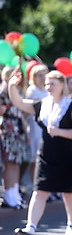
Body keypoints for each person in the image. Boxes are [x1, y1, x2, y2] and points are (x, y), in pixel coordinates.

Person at [9, 70, 72, 235]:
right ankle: (30, 229)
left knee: (69, 193)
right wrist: (12, 85)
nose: (48, 87)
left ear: (62, 85)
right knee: (39, 191)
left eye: (52, 83)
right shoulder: (41, 104)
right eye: (46, 84)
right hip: (46, 155)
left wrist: (59, 132)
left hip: (67, 155)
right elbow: (19, 102)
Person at [0, 66, 30, 209]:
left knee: (16, 162)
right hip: (7, 128)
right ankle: (8, 194)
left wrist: (26, 131)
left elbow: (21, 114)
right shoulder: (4, 92)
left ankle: (14, 192)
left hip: (17, 128)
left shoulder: (17, 92)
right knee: (10, 162)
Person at [24, 64, 49, 182]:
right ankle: (35, 184)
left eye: (45, 75)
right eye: (40, 76)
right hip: (35, 127)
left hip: (46, 126)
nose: (43, 78)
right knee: (35, 159)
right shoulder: (32, 91)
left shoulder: (47, 90)